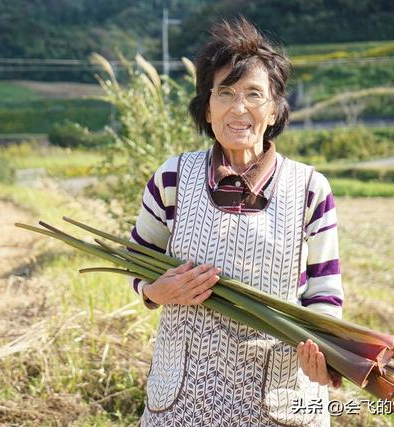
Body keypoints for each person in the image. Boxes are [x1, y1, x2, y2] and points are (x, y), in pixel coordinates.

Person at [130, 18, 343, 426]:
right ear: (206, 108)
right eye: (224, 92)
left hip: (281, 403)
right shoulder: (172, 179)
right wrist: (157, 291)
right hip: (181, 405)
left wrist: (326, 354)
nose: (238, 107)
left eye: (253, 94)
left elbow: (325, 292)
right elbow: (134, 259)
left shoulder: (311, 188)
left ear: (276, 108)